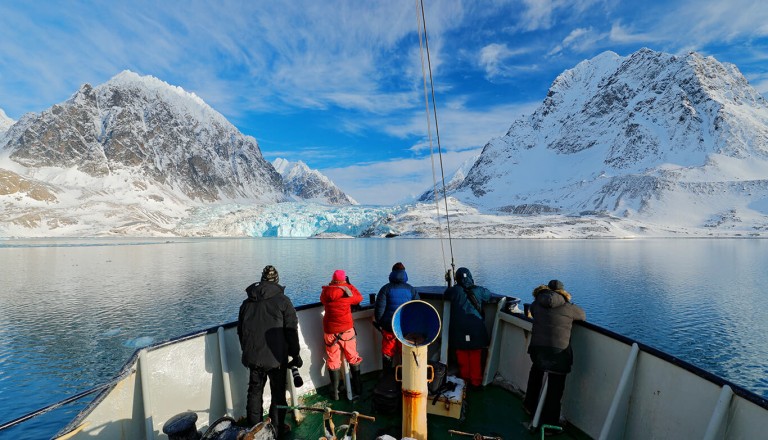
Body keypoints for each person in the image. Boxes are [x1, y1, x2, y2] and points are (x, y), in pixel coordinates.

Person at [237, 265, 302, 438]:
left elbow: (240, 331)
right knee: (278, 393)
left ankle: (254, 432)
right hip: (276, 358)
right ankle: (278, 429)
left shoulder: (247, 302)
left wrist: (247, 351)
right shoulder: (283, 301)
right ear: (277, 280)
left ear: (263, 279)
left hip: (253, 357)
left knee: (254, 392)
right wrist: (295, 355)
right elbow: (291, 331)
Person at [523, 279, 586, 429]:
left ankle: (529, 406)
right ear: (563, 292)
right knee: (555, 387)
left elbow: (531, 310)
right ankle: (551, 424)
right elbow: (583, 315)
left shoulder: (536, 304)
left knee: (536, 374)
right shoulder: (569, 308)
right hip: (558, 354)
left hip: (537, 351)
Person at [444, 267, 491, 387]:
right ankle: (476, 381)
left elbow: (446, 294)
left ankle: (464, 381)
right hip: (476, 329)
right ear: (470, 277)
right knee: (475, 354)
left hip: (459, 330)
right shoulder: (479, 290)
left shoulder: (454, 291)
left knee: (462, 353)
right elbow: (488, 295)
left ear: (457, 279)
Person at [320, 269, 364, 400]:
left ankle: (335, 393)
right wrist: (349, 286)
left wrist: (335, 285)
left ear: (333, 279)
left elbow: (322, 300)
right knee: (353, 357)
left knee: (333, 360)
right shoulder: (347, 292)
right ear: (344, 279)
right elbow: (359, 298)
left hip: (330, 332)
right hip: (346, 331)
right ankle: (358, 388)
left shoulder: (326, 292)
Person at [374, 262, 419, 372]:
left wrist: (381, 324)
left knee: (387, 353)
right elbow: (418, 309)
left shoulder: (385, 289)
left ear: (392, 273)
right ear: (405, 274)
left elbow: (379, 310)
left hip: (389, 328)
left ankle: (387, 378)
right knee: (404, 353)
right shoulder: (411, 289)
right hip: (405, 329)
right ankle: (405, 378)